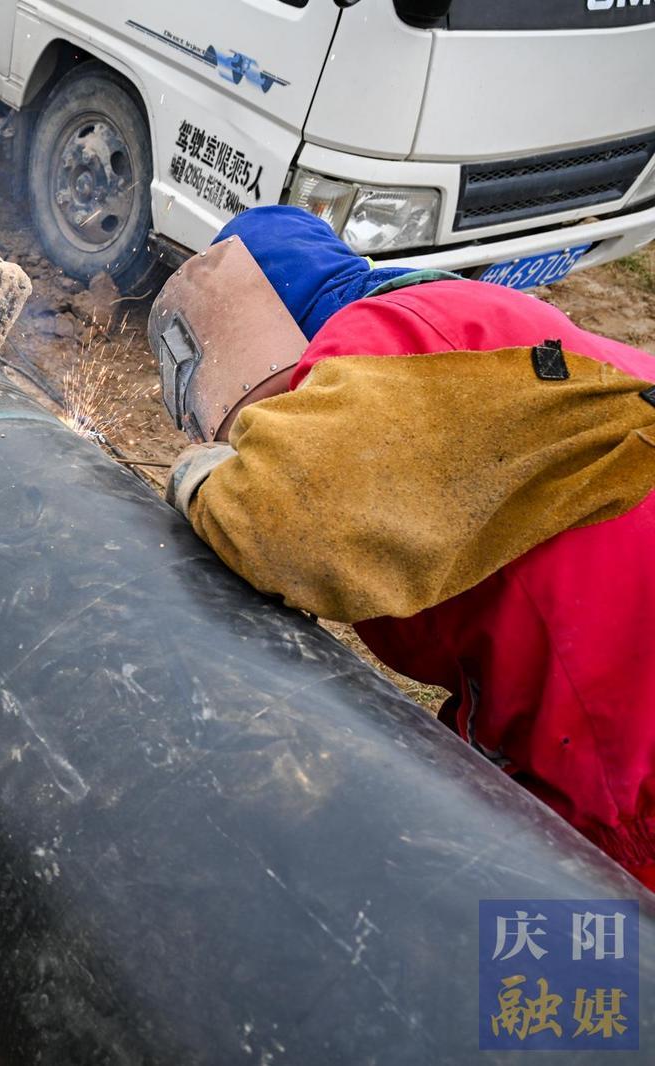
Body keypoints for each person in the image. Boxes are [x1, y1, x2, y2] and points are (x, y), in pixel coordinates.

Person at [160, 206, 655, 890]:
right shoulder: (473, 322)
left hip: (618, 755)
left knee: (561, 933)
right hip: (598, 692)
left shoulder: (382, 330)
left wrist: (203, 483)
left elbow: (283, 521)